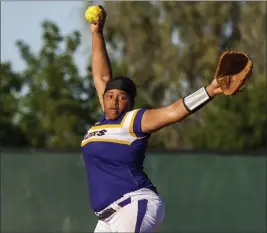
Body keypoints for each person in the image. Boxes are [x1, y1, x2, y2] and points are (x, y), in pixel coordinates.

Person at [81, 6, 223, 233]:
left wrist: (211, 90)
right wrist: (96, 33)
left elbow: (174, 111)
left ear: (130, 103)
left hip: (134, 205)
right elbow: (100, 76)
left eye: (122, 97)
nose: (114, 101)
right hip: (106, 218)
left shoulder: (133, 121)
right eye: (110, 96)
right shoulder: (102, 123)